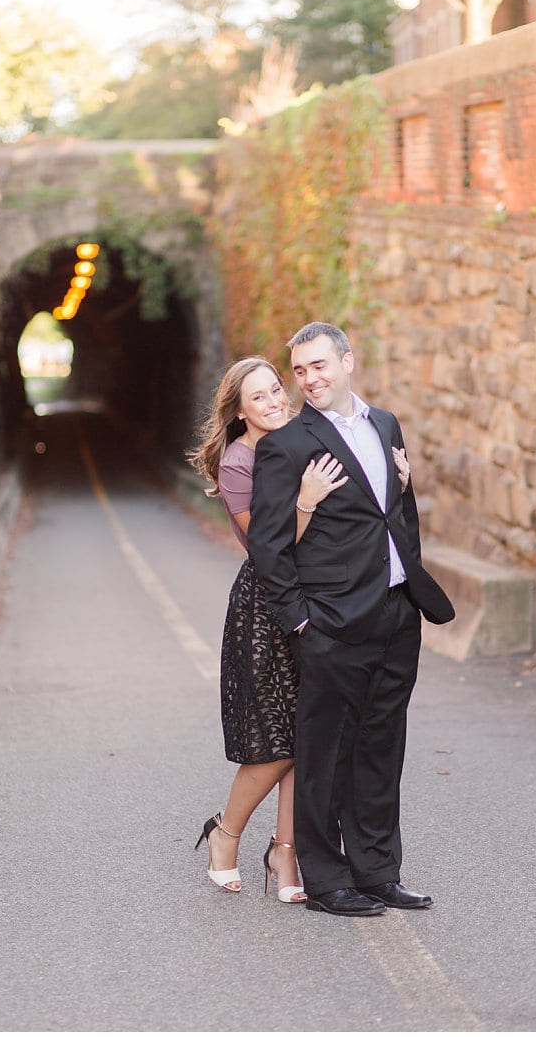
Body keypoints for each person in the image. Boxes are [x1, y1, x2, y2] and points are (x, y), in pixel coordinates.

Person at [247, 322, 455, 917]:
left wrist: (409, 579)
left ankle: (377, 871)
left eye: (320, 366)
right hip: (330, 622)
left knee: (382, 745)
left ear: (347, 362)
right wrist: (299, 621)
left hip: (396, 611)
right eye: (301, 370)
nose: (309, 380)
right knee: (325, 753)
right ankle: (326, 878)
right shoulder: (286, 445)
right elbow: (267, 545)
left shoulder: (385, 425)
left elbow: (398, 510)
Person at [186, 356, 348, 901]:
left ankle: (286, 853)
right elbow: (267, 548)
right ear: (239, 411)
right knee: (274, 743)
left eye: (277, 389)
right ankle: (224, 835)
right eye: (259, 397)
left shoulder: (299, 438)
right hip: (265, 607)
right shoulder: (239, 462)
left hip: (313, 597)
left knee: (305, 738)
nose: (276, 400)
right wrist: (306, 501)